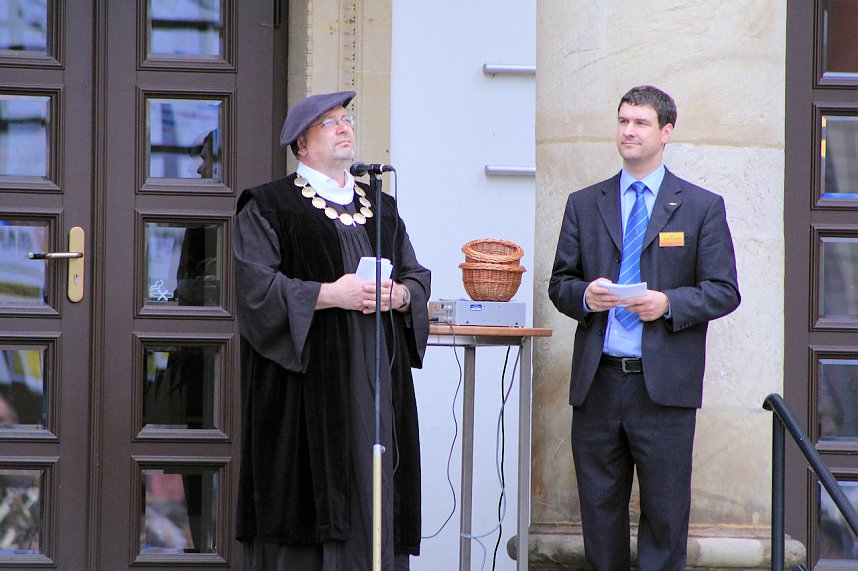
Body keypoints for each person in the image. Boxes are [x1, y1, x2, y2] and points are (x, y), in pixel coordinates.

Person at [233, 90, 431, 571]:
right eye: (329, 123)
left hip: (376, 387)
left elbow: (415, 275)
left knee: (376, 488)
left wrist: (401, 296)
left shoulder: (380, 207)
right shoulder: (269, 205)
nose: (345, 128)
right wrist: (329, 294)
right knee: (308, 500)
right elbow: (256, 291)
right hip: (306, 391)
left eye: (347, 119)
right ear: (301, 144)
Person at [548, 85, 740, 570]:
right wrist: (586, 297)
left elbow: (724, 290)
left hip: (664, 390)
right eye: (623, 121)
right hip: (598, 385)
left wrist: (668, 303)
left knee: (665, 517)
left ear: (666, 132)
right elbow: (559, 283)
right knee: (599, 514)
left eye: (640, 123)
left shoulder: (700, 206)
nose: (628, 131)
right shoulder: (584, 203)